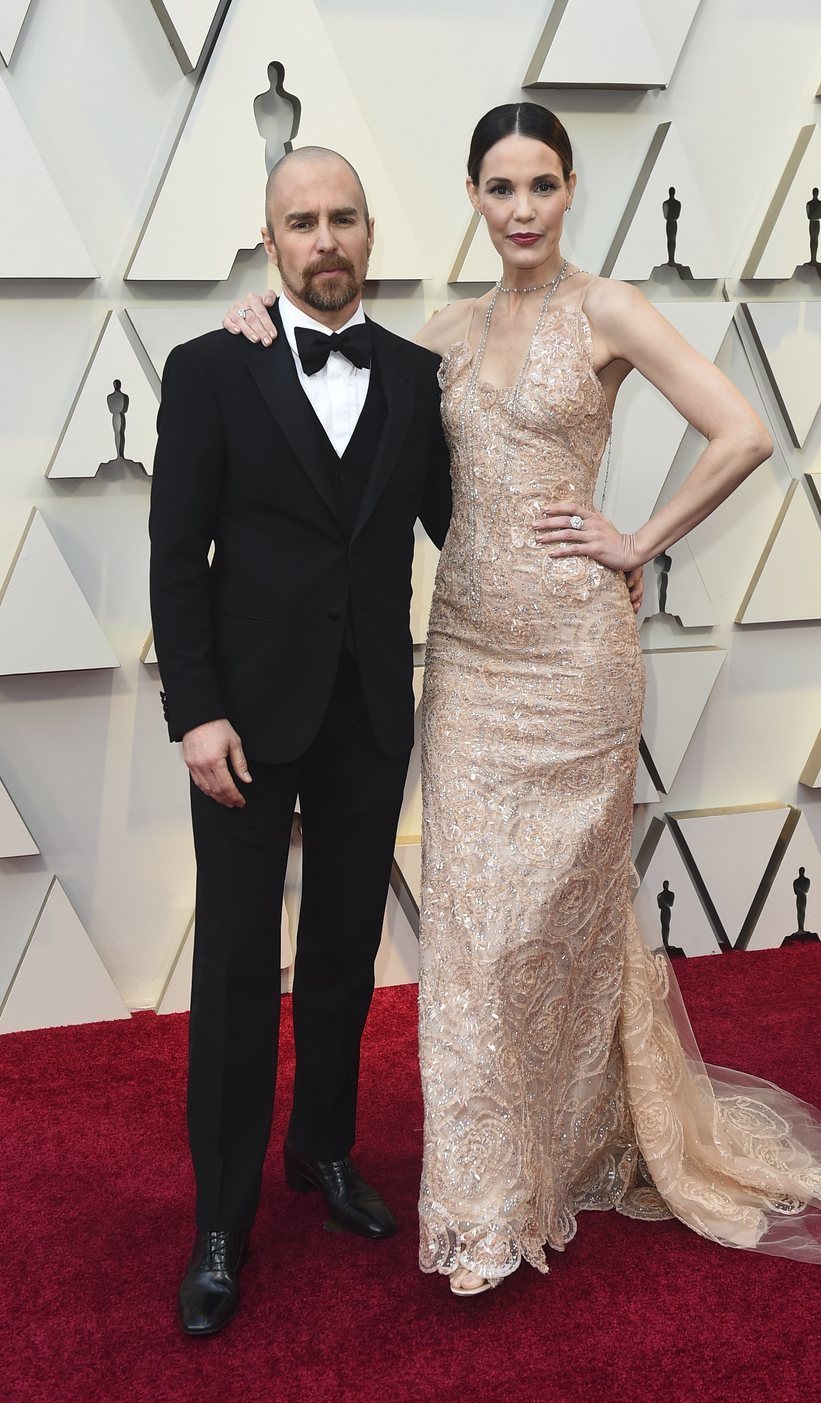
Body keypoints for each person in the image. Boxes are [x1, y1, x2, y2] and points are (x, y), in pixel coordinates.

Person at [225, 103, 821, 1299]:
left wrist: (636, 537)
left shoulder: (610, 309)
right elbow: (334, 393)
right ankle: (485, 1202)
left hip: (575, 661)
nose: (521, 209)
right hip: (469, 659)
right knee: (476, 940)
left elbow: (739, 431)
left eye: (541, 185)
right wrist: (258, 325)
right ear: (472, 199)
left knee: (560, 929)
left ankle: (567, 1144)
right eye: (499, 188)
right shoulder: (440, 330)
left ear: (570, 191)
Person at [150, 146, 459, 1336]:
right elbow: (177, 557)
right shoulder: (208, 369)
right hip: (240, 720)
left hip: (367, 709)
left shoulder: (419, 376)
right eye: (300, 222)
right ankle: (219, 1222)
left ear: (369, 233)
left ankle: (322, 1153)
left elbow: (458, 527)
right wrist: (195, 711)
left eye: (341, 219)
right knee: (235, 967)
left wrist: (589, 560)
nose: (323, 240)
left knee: (340, 950)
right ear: (268, 240)